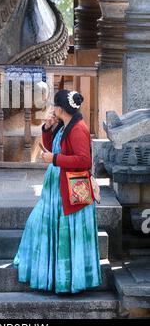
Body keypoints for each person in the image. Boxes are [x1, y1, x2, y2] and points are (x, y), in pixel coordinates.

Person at [13, 89, 102, 294]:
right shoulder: (65, 125)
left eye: (54, 106)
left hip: (69, 190)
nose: (52, 109)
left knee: (54, 230)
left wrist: (54, 159)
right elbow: (50, 146)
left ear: (61, 108)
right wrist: (47, 127)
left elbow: (84, 160)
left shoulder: (78, 128)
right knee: (40, 225)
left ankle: (67, 280)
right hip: (56, 190)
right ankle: (54, 277)